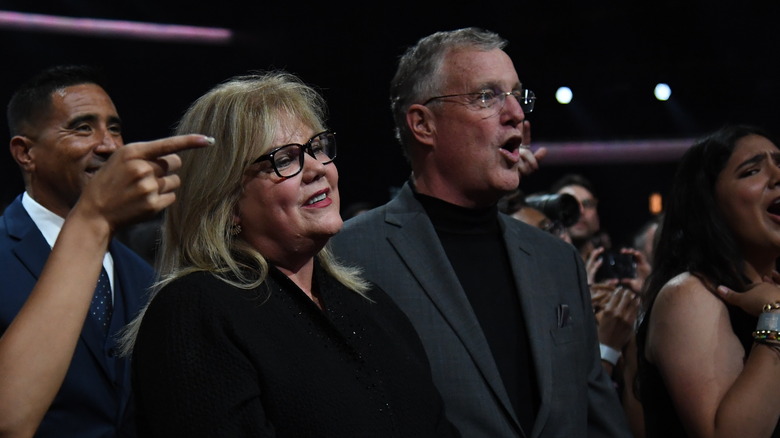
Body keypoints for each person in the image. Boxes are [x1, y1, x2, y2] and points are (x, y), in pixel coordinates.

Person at [329, 27, 631, 437]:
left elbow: (598, 420)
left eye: (517, 96)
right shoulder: (348, 254)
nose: (517, 115)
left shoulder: (557, 261)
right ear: (423, 124)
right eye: (486, 97)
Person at [120, 72, 459, 437]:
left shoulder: (370, 304)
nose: (316, 169)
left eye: (317, 148)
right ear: (228, 203)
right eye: (284, 159)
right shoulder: (195, 309)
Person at [0, 64, 212, 437]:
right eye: (83, 127)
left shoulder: (143, 274)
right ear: (25, 153)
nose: (110, 145)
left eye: (114, 128)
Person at [636, 124, 780, 437]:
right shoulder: (689, 295)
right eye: (752, 170)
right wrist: (777, 317)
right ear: (709, 204)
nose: (777, 175)